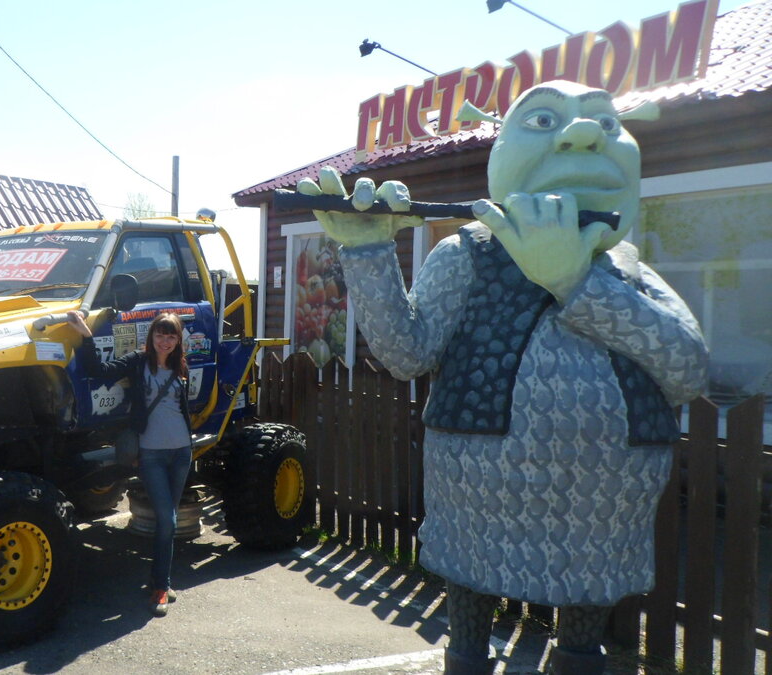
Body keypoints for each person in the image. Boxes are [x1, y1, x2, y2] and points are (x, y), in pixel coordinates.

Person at [298, 80, 707, 674]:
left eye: (605, 123)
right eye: (543, 121)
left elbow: (688, 368)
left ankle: (577, 657)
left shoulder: (624, 269)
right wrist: (366, 253)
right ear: (499, 154)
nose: (586, 135)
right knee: (471, 588)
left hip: (602, 499)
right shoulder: (468, 254)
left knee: (584, 612)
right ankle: (466, 657)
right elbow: (406, 354)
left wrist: (574, 280)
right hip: (480, 482)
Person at [67, 309, 193, 617]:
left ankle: (159, 578)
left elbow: (180, 409)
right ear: (152, 337)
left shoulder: (180, 367)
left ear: (178, 340)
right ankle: (161, 587)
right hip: (151, 453)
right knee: (169, 521)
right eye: (160, 334)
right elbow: (98, 369)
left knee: (169, 520)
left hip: (181, 452)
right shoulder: (138, 363)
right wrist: (84, 333)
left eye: (171, 335)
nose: (165, 341)